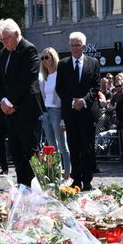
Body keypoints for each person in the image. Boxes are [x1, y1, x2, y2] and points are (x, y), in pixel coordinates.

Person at [0, 19, 43, 186]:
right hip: (9, 111)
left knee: (30, 150)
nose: (4, 42)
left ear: (16, 34)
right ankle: (22, 186)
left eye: (6, 38)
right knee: (15, 151)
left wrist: (11, 102)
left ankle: (35, 186)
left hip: (26, 109)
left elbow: (28, 81)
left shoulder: (28, 49)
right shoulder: (4, 53)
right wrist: (2, 100)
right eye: (1, 39)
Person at [56, 32, 102, 191]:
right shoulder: (62, 64)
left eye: (78, 45)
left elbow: (96, 86)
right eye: (72, 45)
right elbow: (59, 88)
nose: (75, 48)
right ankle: (75, 179)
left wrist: (83, 101)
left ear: (84, 46)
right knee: (73, 146)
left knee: (87, 147)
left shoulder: (93, 62)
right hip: (71, 112)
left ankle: (87, 179)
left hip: (88, 111)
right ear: (69, 47)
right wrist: (72, 101)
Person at [38, 48, 71, 177]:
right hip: (46, 112)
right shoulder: (43, 79)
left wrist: (64, 118)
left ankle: (67, 173)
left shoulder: (59, 75)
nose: (45, 60)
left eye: (47, 57)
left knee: (62, 145)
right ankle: (55, 174)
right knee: (51, 146)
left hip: (58, 111)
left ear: (53, 58)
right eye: (43, 58)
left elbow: (64, 98)